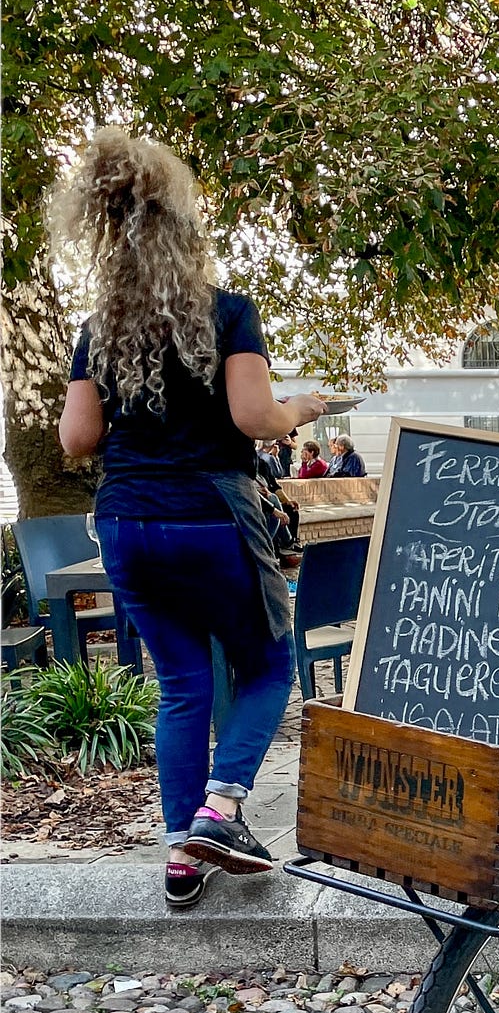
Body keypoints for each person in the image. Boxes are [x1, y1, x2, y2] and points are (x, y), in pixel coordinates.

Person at [54, 129, 328, 909]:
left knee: (180, 683)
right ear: (186, 230)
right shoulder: (227, 312)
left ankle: (183, 854)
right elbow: (253, 417)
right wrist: (302, 406)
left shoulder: (98, 330)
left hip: (127, 522)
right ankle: (224, 804)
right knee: (270, 666)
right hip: (211, 516)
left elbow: (77, 440)